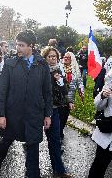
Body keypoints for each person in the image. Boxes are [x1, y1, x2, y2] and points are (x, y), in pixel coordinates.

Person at [0, 30, 52, 178]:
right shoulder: (10, 64)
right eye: (17, 44)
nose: (17, 48)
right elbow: (1, 91)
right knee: (6, 142)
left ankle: (32, 173)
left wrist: (48, 114)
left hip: (34, 114)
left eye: (21, 45)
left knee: (33, 146)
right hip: (13, 114)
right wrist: (1, 115)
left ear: (31, 46)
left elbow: (47, 92)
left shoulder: (42, 64)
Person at [88, 52, 112, 178]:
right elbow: (98, 106)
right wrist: (102, 96)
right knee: (98, 167)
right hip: (108, 132)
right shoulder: (110, 79)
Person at [41, 46, 72, 178]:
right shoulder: (41, 71)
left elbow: (65, 90)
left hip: (54, 110)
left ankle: (59, 170)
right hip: (40, 110)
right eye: (49, 56)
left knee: (55, 140)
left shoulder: (59, 70)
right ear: (45, 58)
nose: (52, 59)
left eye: (54, 56)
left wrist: (59, 80)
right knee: (33, 140)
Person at [59, 52, 84, 139]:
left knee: (65, 115)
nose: (65, 58)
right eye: (64, 57)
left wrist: (81, 90)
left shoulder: (75, 70)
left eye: (68, 58)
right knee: (58, 114)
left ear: (72, 59)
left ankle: (60, 130)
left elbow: (79, 81)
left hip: (70, 96)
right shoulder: (59, 67)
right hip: (59, 96)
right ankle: (57, 133)